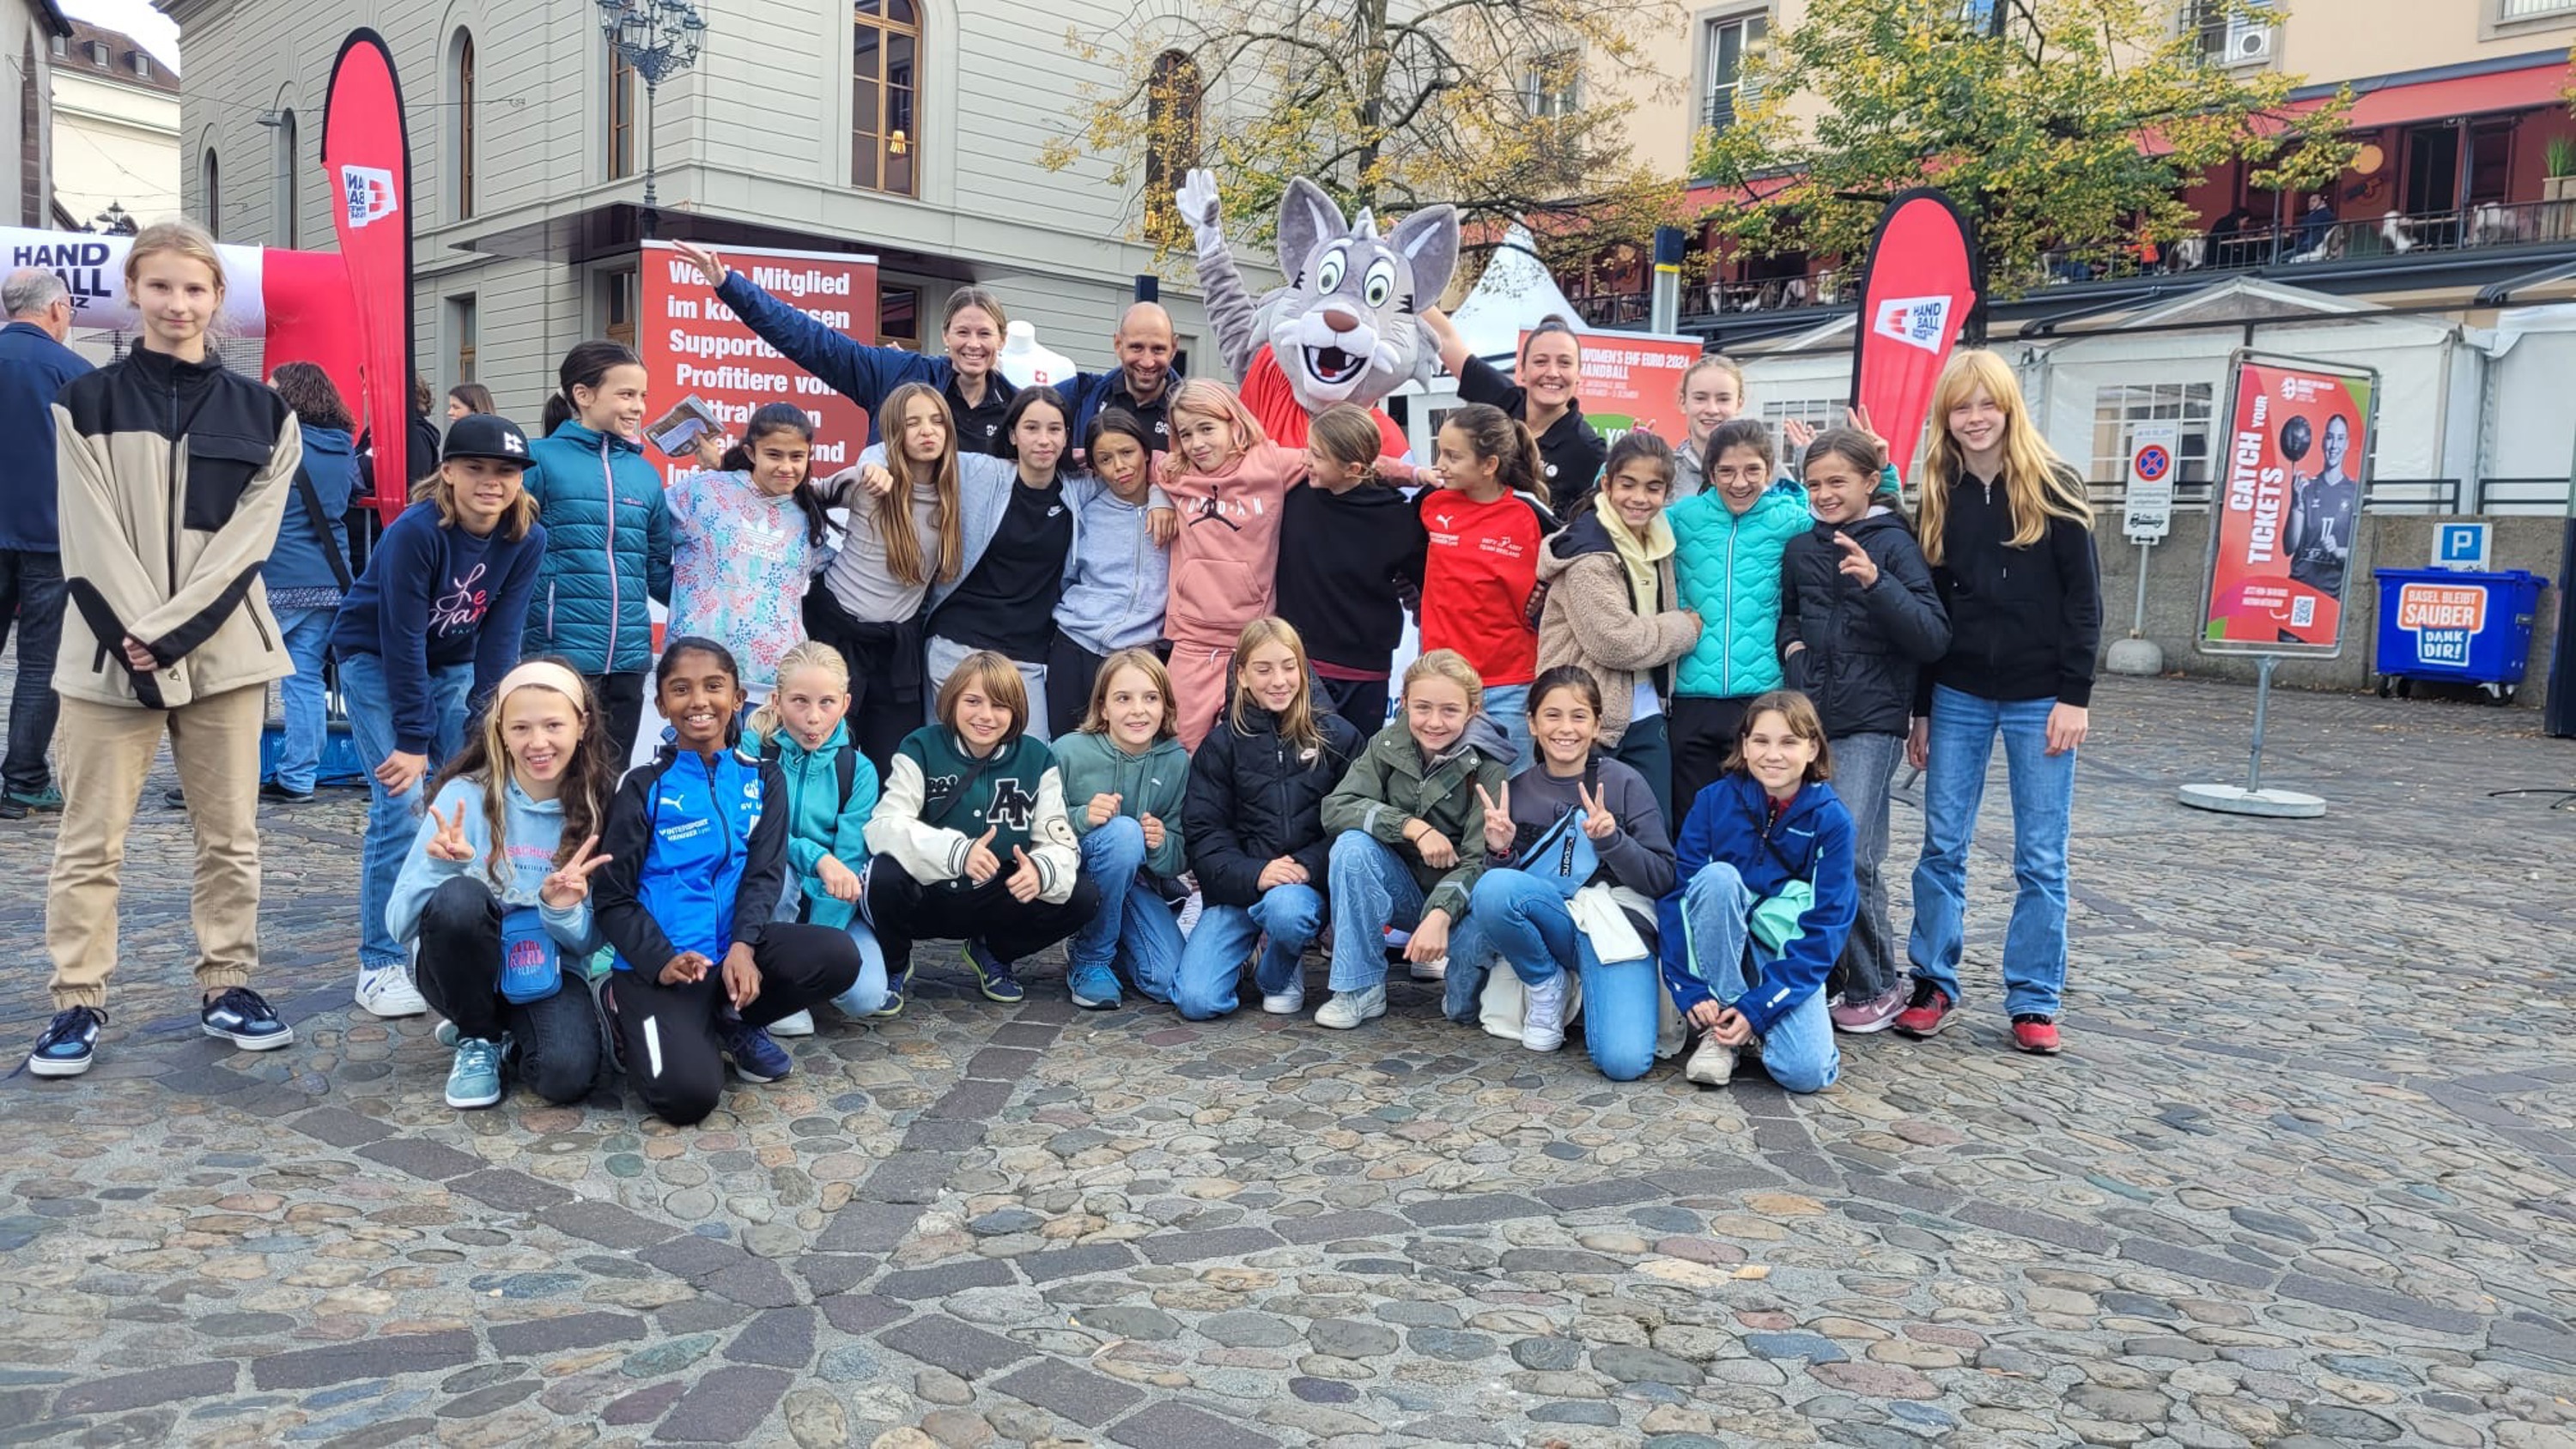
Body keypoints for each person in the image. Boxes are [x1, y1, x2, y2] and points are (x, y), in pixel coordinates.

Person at [28, 221, 301, 1077]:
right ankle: (77, 998)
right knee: (89, 838)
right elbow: (88, 532)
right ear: (134, 293)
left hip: (222, 655)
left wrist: (171, 634)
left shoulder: (267, 412)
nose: (178, 304)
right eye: (161, 287)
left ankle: (228, 980)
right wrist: (135, 636)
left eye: (194, 288)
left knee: (231, 835)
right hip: (109, 654)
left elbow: (246, 543)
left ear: (217, 299)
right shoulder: (85, 401)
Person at [1896, 349, 2099, 1055]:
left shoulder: (2054, 486)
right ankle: (1934, 981)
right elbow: (1930, 614)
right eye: (1961, 406)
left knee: (2041, 857)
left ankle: (2034, 999)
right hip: (1957, 695)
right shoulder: (1940, 492)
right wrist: (1921, 709)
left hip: (2040, 697)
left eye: (1987, 404)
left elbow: (2084, 604)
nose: (1975, 418)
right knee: (1941, 847)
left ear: (2009, 408)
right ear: (1945, 418)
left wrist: (2075, 696)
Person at [593, 638, 866, 1125]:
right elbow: (612, 898)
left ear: (738, 698)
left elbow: (764, 875)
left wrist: (743, 947)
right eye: (681, 689)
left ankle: (731, 1017)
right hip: (663, 965)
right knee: (687, 1099)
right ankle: (619, 1008)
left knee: (839, 956)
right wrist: (661, 959)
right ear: (661, 705)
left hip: (732, 956)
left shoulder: (762, 779)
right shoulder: (642, 786)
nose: (699, 701)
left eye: (713, 687)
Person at [334, 414, 549, 1018]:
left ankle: (460, 936)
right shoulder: (417, 532)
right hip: (376, 658)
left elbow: (501, 638)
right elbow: (399, 636)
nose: (490, 482)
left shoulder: (526, 537)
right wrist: (413, 738)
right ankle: (378, 962)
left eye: (505, 471)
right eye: (475, 468)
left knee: (468, 797)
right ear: (448, 472)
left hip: (453, 661)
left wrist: (490, 727)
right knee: (402, 805)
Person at [1777, 427, 1949, 1034]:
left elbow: (1932, 636)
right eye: (1815, 483)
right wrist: (1794, 655)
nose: (1824, 494)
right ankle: (1845, 977)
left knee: (1849, 854)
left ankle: (1877, 982)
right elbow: (1790, 616)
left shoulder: (1894, 544)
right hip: (1811, 724)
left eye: (1837, 482)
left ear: (1870, 482)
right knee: (1826, 853)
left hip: (1872, 721)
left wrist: (1878, 584)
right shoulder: (1801, 547)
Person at [388, 659, 615, 1110]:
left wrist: (560, 908)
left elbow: (590, 943)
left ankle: (507, 1034)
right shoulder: (462, 797)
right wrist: (445, 871)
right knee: (458, 899)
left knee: (566, 1077)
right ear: (500, 731)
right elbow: (398, 925)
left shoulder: (600, 806)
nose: (538, 742)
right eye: (521, 728)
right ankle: (477, 1035)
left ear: (582, 725)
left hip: (546, 971)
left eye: (554, 724)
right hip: (460, 969)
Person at [1161, 379, 1411, 749]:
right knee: (1182, 748)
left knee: (1253, 752)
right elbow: (1126, 465)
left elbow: (1347, 461)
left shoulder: (1272, 464)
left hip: (1254, 640)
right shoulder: (1174, 472)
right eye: (1185, 434)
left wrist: (1417, 474)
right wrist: (1157, 499)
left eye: (1207, 428)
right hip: (1193, 642)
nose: (1196, 443)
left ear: (1234, 422)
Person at [1454, 667, 1676, 1078]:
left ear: (1596, 725)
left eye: (1579, 716)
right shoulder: (1515, 790)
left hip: (1614, 928)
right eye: (1552, 716)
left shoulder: (1625, 781)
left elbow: (1662, 877)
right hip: (1552, 924)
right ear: (1532, 724)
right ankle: (1546, 983)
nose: (1566, 728)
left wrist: (1613, 840)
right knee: (1494, 885)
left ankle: (1594, 995)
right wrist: (1500, 850)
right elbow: (1503, 900)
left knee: (1624, 1062)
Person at [860, 649, 1099, 1008]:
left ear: (1016, 711)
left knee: (1082, 895)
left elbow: (1059, 840)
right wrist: (955, 852)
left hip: (995, 894)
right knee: (883, 874)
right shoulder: (920, 746)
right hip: (928, 892)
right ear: (953, 699)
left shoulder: (1037, 758)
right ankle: (894, 963)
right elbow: (883, 826)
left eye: (1000, 706)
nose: (986, 716)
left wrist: (1040, 869)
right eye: (973, 701)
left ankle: (994, 952)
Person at [1661, 690, 1856, 1093]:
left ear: (1812, 747)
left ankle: (1753, 1018)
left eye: (1789, 742)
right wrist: (1688, 987)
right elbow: (1678, 897)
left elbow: (1828, 927)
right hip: (1721, 951)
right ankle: (1722, 1032)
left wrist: (1763, 1005)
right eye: (1762, 741)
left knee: (1806, 1074)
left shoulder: (1832, 821)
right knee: (1717, 879)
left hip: (1781, 955)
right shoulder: (1713, 801)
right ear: (1745, 746)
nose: (1774, 754)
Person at [1172, 617, 1362, 1020]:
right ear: (1241, 675)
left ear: (1303, 669)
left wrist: (1306, 865)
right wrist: (1256, 873)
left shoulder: (1339, 737)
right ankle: (1250, 956)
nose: (1279, 680)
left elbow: (1356, 821)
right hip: (1240, 885)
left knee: (1286, 910)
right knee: (1196, 1001)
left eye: (1289, 666)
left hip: (1304, 887)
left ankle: (1278, 969)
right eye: (1264, 669)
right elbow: (1205, 834)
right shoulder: (1221, 745)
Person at [1316, 649, 1515, 1029]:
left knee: (1464, 1012)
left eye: (1450, 711)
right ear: (1404, 702)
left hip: (1460, 900)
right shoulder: (1385, 745)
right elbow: (1337, 808)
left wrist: (1440, 914)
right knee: (1351, 848)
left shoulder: (1490, 764)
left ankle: (1466, 965)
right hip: (1401, 888)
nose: (1434, 722)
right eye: (1422, 708)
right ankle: (1359, 987)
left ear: (1473, 710)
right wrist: (1412, 827)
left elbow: (1478, 861)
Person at [673, 242, 1021, 454]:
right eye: (962, 332)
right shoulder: (897, 374)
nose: (973, 344)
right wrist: (728, 285)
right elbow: (810, 340)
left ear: (1001, 340)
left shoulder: (1016, 409)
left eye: (984, 334)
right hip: (889, 551)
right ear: (945, 335)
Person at [1534, 431, 1702, 822]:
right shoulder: (1588, 553)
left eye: (1653, 487)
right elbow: (1616, 642)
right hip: (1587, 716)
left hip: (1646, 710)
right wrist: (1686, 627)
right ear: (1606, 484)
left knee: (1652, 829)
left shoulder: (1658, 541)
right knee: (1584, 835)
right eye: (1627, 485)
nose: (1640, 498)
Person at [805, 382, 969, 772]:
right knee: (829, 761)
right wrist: (867, 465)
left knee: (893, 767)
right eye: (912, 423)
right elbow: (801, 493)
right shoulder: (869, 482)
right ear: (894, 432)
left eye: (936, 421)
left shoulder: (957, 488)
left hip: (896, 645)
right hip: (837, 632)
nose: (927, 431)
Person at [520, 340, 672, 760]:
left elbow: (657, 568)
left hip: (628, 659)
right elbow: (506, 549)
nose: (639, 407)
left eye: (642, 395)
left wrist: (719, 602)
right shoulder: (538, 460)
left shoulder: (644, 475)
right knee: (558, 775)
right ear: (582, 396)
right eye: (626, 394)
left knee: (613, 776)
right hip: (560, 653)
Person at [743, 640, 890, 1027]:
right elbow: (753, 831)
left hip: (828, 902)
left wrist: (817, 953)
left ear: (845, 704)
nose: (812, 717)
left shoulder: (858, 769)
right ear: (776, 700)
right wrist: (816, 856)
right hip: (770, 892)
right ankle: (772, 981)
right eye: (799, 701)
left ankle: (801, 976)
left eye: (826, 702)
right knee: (781, 871)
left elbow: (850, 861)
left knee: (867, 998)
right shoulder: (752, 750)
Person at [1667, 418, 1809, 809]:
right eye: (1726, 471)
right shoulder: (1682, 518)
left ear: (1769, 469)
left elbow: (1855, 516)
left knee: (1755, 815)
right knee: (1691, 816)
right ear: (1710, 472)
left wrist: (1883, 477)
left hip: (1762, 695)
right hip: (1690, 695)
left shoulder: (1791, 520)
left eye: (1752, 471)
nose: (1739, 482)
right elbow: (1622, 524)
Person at [1272, 403, 1429, 737]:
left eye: (1317, 455)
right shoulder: (1293, 494)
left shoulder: (1397, 518)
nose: (1305, 460)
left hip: (1364, 672)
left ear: (1354, 468)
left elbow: (1432, 586)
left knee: (1355, 768)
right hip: (1299, 662)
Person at [0, 267, 93, 821]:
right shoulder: (75, 374)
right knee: (41, 662)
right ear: (57, 310)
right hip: (50, 537)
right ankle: (24, 780)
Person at [1419, 403, 1554, 768]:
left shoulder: (1527, 513)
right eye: (1439, 452)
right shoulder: (1432, 504)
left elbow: (1579, 551)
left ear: (1489, 465)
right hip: (1441, 682)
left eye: (1453, 455)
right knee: (1443, 797)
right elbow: (1395, 553)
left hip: (1508, 683)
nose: (1441, 463)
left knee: (1512, 796)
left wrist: (1546, 598)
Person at [1054, 649, 1190, 1009]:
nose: (1138, 710)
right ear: (1102, 707)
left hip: (1136, 886)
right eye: (1123, 698)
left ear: (1166, 706)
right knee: (1125, 833)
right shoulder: (1067, 752)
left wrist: (1161, 843)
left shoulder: (1176, 761)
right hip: (1075, 880)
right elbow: (1034, 826)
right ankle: (1090, 958)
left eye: (1150, 698)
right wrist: (1082, 816)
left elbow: (1181, 853)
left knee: (1166, 982)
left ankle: (1110, 944)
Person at [666, 403, 830, 700]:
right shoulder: (702, 492)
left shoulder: (808, 516)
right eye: (774, 455)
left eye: (797, 457)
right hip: (700, 678)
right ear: (751, 453)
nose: (786, 467)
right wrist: (678, 597)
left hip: (775, 686)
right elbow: (643, 543)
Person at [258, 361, 361, 803]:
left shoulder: (278, 444)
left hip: (278, 574)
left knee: (238, 681)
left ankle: (224, 778)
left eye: (272, 389)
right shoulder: (343, 447)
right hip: (329, 578)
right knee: (302, 680)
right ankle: (298, 776)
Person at [1045, 409, 1170, 739]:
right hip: (1075, 646)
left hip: (1137, 654)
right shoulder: (1086, 509)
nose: (1120, 467)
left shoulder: (1174, 511)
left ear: (1146, 452)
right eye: (1105, 459)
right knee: (1066, 749)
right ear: (1095, 467)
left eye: (1127, 452)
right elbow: (1067, 576)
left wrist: (1163, 496)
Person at [1423, 309, 1607, 518]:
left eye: (1565, 363)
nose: (1553, 373)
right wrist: (1407, 283)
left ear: (1578, 375)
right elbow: (1446, 339)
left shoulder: (1588, 450)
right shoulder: (1502, 400)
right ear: (1522, 371)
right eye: (1540, 362)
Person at [1064, 302, 1185, 451]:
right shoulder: (1082, 395)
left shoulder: (1192, 412)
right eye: (1137, 348)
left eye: (1158, 349)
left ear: (1173, 348)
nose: (1147, 362)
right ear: (1118, 344)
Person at [2285, 413, 2358, 598]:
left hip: (2331, 595)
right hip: (2299, 588)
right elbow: (2289, 547)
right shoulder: (2306, 488)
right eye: (2330, 437)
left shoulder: (2355, 493)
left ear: (2347, 444)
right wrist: (2296, 505)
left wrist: (2338, 551)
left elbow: (2360, 554)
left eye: (2340, 439)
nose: (2334, 446)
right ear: (2323, 441)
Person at [1669, 355, 1745, 500]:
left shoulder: (1765, 471)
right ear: (1682, 402)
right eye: (1700, 398)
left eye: (1723, 399)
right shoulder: (1664, 472)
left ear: (1739, 404)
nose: (1712, 409)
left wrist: (1803, 464)